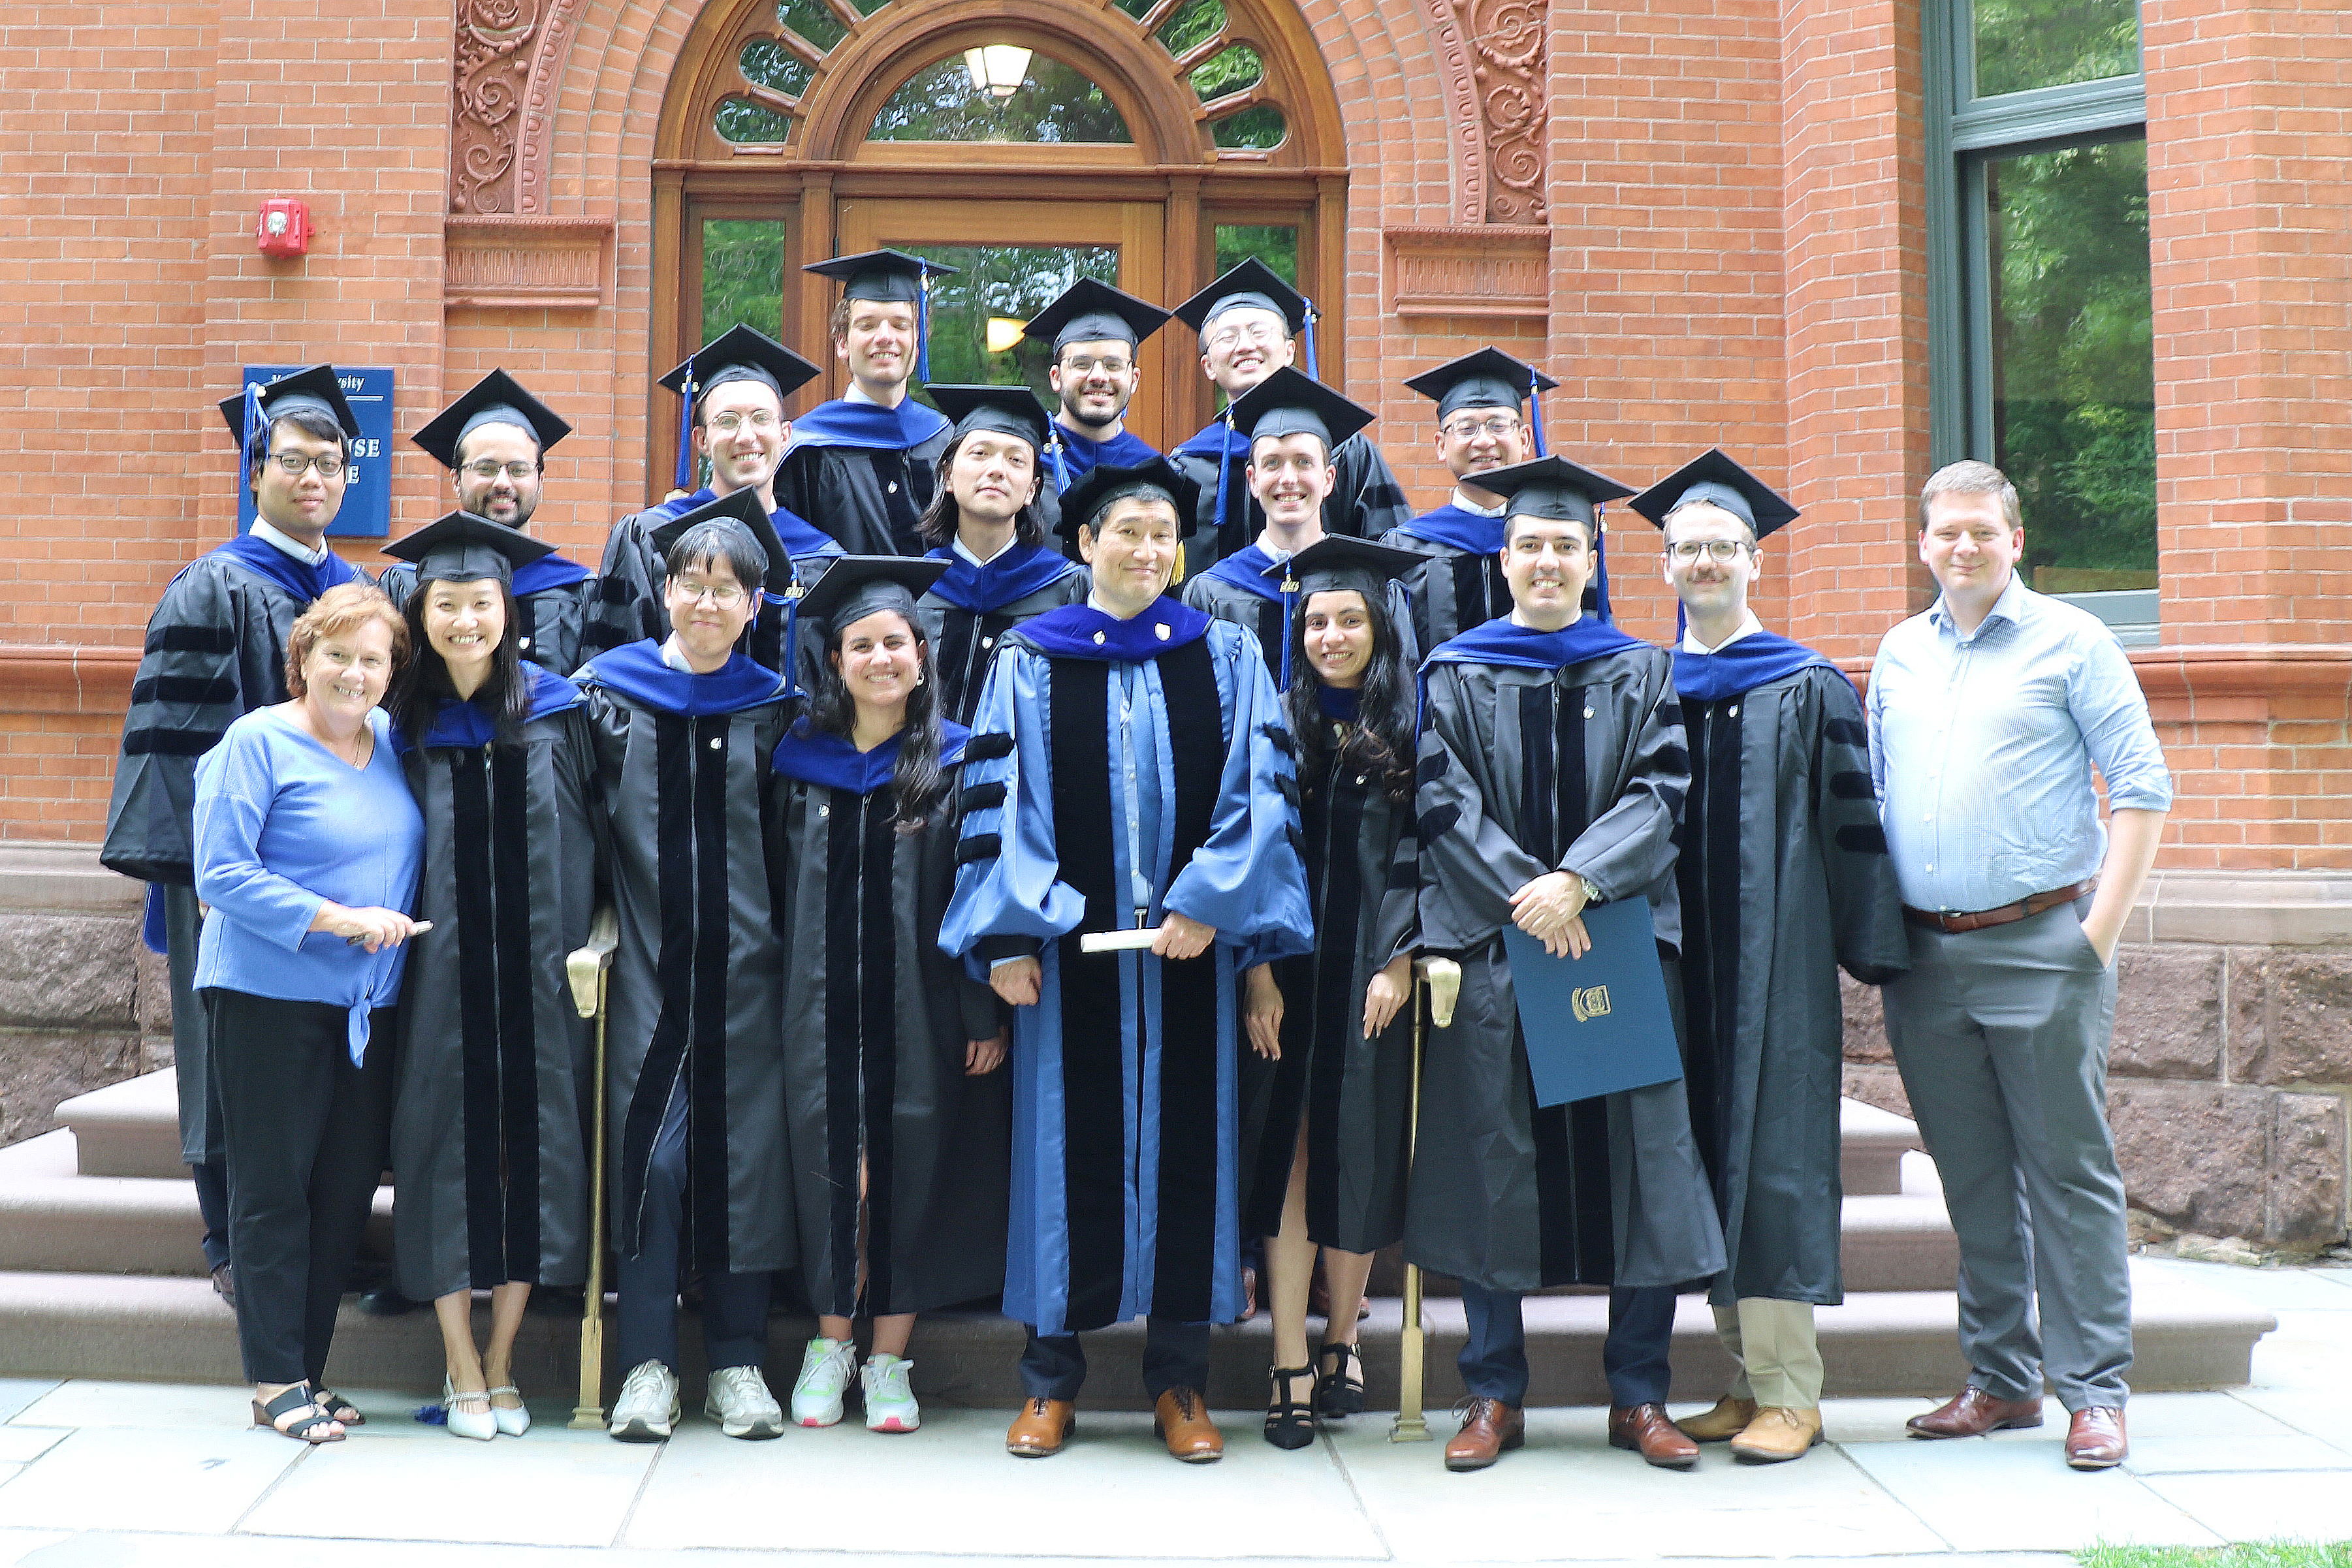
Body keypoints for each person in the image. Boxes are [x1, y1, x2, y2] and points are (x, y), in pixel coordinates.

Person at [938, 458, 1312, 1464]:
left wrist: (1207, 900)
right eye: (1128, 532)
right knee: (1063, 1162)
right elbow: (997, 797)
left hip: (1191, 957)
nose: (1148, 551)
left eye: (1162, 535)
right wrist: (1013, 932)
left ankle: (1178, 1382)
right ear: (1084, 544)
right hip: (1071, 960)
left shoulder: (1226, 653)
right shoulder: (1027, 657)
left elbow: (1261, 791)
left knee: (1192, 1154)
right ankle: (1048, 1380)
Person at [1410, 454, 1726, 1472]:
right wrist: (1528, 893)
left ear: (1590, 560)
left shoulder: (1642, 670)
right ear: (1503, 560)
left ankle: (1639, 1393)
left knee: (1638, 1166)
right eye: (1530, 545)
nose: (1547, 560)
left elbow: (1660, 793)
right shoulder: (1453, 669)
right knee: (1494, 1157)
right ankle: (1491, 1390)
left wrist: (1578, 882)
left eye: (1564, 545)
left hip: (1613, 942)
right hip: (1504, 949)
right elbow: (1441, 802)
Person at [1867, 460, 2172, 1472]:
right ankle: (2000, 1380)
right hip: (1924, 955)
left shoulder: (2073, 640)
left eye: (1981, 533)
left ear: (2014, 541)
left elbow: (2140, 788)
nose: (1962, 547)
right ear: (1921, 544)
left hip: (2043, 945)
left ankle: (2094, 1391)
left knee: (2069, 1175)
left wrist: (2096, 937)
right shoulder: (1900, 652)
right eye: (1944, 532)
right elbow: (1874, 797)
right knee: (1972, 1181)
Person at [1623, 452, 1911, 1463]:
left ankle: (1794, 1389)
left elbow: (1851, 826)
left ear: (1753, 559)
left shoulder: (1808, 683)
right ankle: (1743, 1380)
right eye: (1685, 548)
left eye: (1720, 546)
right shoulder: (1645, 682)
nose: (1703, 561)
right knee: (1697, 1158)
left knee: (1774, 1165)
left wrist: (1866, 949)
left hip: (1771, 968)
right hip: (1668, 969)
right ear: (1664, 565)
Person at [102, 364, 372, 1307]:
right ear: (257, 469)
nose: (313, 478)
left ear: (347, 475)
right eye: (293, 460)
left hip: (332, 874)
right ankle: (230, 1235)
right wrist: (208, 876)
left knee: (322, 1052)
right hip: (234, 872)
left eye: (330, 462)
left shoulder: (355, 590)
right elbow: (177, 746)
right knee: (228, 1052)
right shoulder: (212, 587)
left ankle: (316, 1226)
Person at [769, 556, 1011, 1435]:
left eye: (894, 642)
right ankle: (829, 1345)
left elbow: (985, 890)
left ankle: (888, 1356)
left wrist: (982, 1010)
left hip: (924, 1009)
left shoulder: (964, 758)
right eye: (860, 643)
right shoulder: (796, 757)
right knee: (836, 1171)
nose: (879, 657)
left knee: (912, 1170)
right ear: (837, 661)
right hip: (814, 1007)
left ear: (922, 654)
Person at [573, 510, 799, 1444]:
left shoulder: (775, 704)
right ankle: (648, 1366)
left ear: (752, 606)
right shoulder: (605, 695)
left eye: (727, 589)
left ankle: (738, 1362)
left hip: (751, 978)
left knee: (740, 1163)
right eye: (691, 583)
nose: (707, 601)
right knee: (651, 1163)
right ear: (664, 590)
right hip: (647, 975)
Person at [381, 512, 601, 1441]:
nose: (466, 619)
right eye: (447, 603)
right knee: (440, 1160)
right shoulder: (400, 721)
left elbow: (602, 832)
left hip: (542, 984)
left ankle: (504, 1360)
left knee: (532, 1161)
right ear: (421, 612)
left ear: (508, 611)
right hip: (437, 987)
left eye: (482, 602)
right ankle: (458, 1363)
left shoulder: (558, 710)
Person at [191, 581, 421, 1442]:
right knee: (273, 1187)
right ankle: (273, 1377)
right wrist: (337, 917)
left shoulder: (393, 742)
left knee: (341, 1191)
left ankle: (310, 1371)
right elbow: (219, 873)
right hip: (269, 998)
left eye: (372, 659)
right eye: (338, 655)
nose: (355, 674)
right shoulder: (257, 741)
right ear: (303, 660)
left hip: (370, 1002)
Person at [1237, 536, 1423, 1450]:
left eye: (1349, 618)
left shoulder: (1420, 727)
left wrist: (1399, 959)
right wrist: (1259, 971)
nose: (1330, 634)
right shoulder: (1274, 721)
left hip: (1370, 975)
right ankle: (1285, 1358)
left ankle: (1342, 1342)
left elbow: (1433, 851)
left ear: (1380, 627)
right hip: (1292, 973)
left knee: (1359, 1148)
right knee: (1294, 1155)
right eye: (1315, 620)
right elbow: (1250, 847)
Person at [582, 324, 831, 673]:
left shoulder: (822, 556)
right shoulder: (649, 536)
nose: (747, 436)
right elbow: (614, 669)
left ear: (785, 434)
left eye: (761, 419)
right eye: (727, 421)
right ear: (700, 440)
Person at [1168, 258, 1411, 567]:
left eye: (1259, 332)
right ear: (1209, 366)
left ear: (1289, 352)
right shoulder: (1189, 467)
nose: (1244, 346)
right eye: (1228, 337)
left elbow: (1389, 559)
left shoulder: (1349, 453)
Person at [1181, 368, 1405, 683]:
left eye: (1303, 462)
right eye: (1272, 463)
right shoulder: (1213, 591)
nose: (1288, 479)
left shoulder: (1374, 588)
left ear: (1329, 479)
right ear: (1253, 481)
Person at [389, 369, 594, 676]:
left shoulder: (578, 592)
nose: (502, 482)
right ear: (456, 480)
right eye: (485, 468)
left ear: (540, 480)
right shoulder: (406, 585)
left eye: (518, 469)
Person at [910, 385, 1087, 727]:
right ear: (947, 475)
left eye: (1016, 460)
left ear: (1032, 490)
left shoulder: (1069, 590)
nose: (997, 470)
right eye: (980, 453)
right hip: (919, 773)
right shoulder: (918, 586)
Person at [778, 248, 960, 557]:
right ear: (842, 344)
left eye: (901, 325)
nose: (885, 337)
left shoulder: (947, 439)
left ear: (920, 343)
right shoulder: (806, 449)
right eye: (867, 325)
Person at [1382, 348, 1559, 653]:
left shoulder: (1558, 540)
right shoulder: (1407, 549)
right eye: (1467, 428)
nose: (1484, 441)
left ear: (1526, 439)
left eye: (1498, 426)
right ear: (1441, 445)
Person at [1016, 276, 1171, 490]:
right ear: (1056, 377)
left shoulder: (1155, 472)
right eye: (1081, 363)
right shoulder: (1026, 461)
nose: (1098, 377)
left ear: (1134, 380)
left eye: (1113, 365)